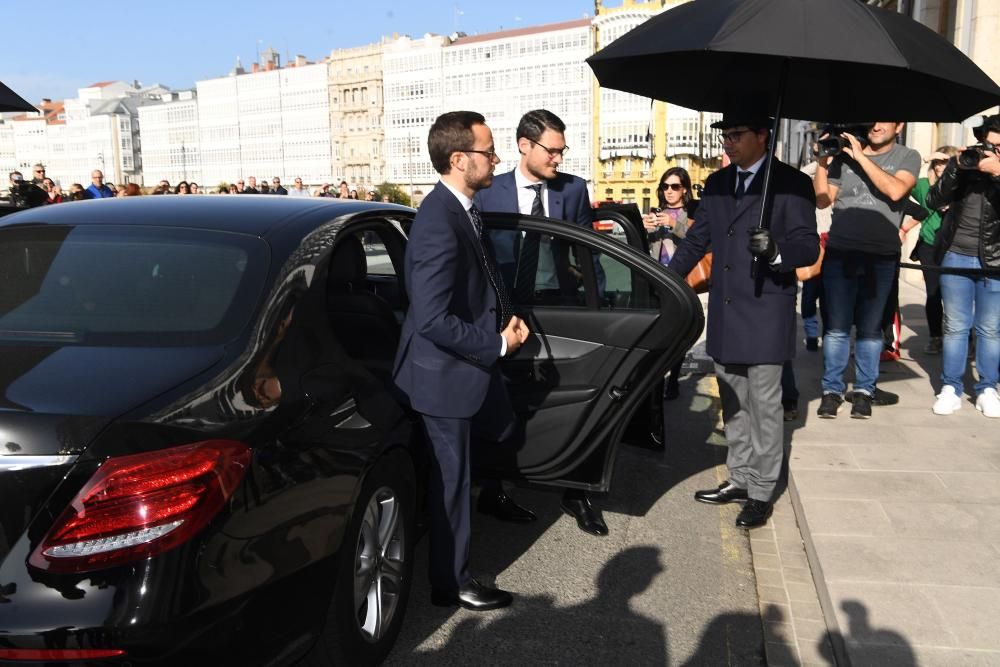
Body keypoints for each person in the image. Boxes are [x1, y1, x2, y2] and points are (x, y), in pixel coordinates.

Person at [393, 110, 529, 610]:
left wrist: (505, 325)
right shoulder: (437, 220)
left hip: (468, 369)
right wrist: (495, 345)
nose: (496, 158)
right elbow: (431, 318)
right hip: (443, 377)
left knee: (492, 445)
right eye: (488, 151)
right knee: (452, 486)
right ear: (458, 159)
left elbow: (480, 286)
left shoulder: (464, 208)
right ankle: (451, 584)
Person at [668, 100, 818, 529]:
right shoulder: (717, 184)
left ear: (762, 136)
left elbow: (808, 246)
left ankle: (762, 489)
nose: (728, 143)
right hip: (727, 309)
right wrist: (662, 280)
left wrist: (776, 251)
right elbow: (697, 242)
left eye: (736, 135)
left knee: (765, 406)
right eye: (725, 135)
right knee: (733, 402)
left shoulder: (790, 184)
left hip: (766, 308)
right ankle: (739, 476)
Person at [475, 108, 609, 537]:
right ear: (524, 146)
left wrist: (600, 308)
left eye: (562, 150)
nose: (558, 158)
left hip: (562, 311)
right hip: (504, 313)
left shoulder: (573, 190)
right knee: (503, 398)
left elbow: (587, 256)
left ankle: (577, 491)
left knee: (577, 398)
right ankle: (493, 490)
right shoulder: (488, 192)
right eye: (552, 150)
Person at [813, 122, 920, 419]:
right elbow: (823, 199)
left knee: (871, 330)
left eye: (884, 120)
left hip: (881, 256)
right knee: (835, 328)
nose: (876, 126)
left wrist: (860, 157)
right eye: (871, 120)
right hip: (841, 252)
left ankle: (863, 390)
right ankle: (831, 390)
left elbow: (896, 190)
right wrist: (823, 162)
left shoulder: (907, 156)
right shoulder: (843, 157)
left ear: (898, 125)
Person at [926, 115, 1000, 419]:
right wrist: (957, 167)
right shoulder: (965, 166)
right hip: (956, 254)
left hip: (995, 260)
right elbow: (933, 199)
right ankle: (951, 388)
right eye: (988, 144)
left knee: (991, 329)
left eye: (998, 146)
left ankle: (987, 389)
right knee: (955, 327)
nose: (990, 151)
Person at [644, 167, 700, 402]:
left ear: (684, 189)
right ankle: (656, 380)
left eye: (675, 186)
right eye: (665, 186)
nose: (669, 191)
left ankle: (673, 379)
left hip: (682, 280)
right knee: (659, 333)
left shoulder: (692, 213)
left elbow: (700, 240)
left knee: (679, 333)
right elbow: (648, 250)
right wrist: (646, 230)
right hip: (659, 279)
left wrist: (674, 223)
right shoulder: (657, 212)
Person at [911, 146, 961, 355]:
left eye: (946, 162)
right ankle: (935, 337)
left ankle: (963, 338)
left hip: (955, 246)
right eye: (938, 162)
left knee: (956, 295)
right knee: (933, 293)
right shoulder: (924, 185)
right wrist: (925, 158)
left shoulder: (961, 186)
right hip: (929, 245)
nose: (941, 166)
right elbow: (904, 180)